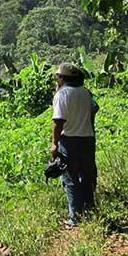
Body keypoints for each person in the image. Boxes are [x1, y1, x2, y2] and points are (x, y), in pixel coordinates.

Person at [50, 63, 98, 227]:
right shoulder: (86, 93)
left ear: (62, 78)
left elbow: (58, 122)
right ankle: (89, 210)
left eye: (58, 77)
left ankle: (75, 218)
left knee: (70, 178)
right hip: (87, 138)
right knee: (87, 175)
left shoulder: (62, 95)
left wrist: (54, 144)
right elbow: (94, 108)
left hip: (69, 140)